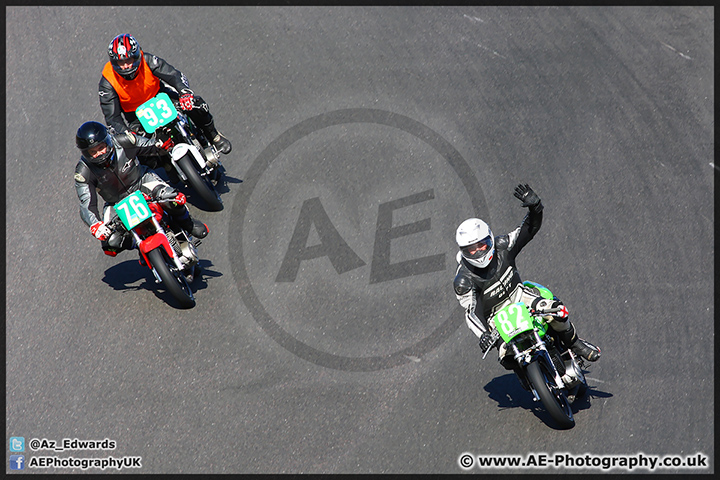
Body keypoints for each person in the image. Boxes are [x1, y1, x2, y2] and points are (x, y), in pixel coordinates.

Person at [453, 184, 600, 370]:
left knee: (558, 311)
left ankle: (576, 344)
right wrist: (483, 335)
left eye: (481, 245)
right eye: (471, 249)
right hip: (495, 318)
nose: (477, 252)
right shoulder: (463, 280)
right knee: (506, 359)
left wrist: (535, 208)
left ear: (489, 239)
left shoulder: (503, 245)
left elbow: (528, 229)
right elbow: (471, 312)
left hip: (521, 297)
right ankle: (530, 380)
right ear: (463, 251)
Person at [98, 33, 231, 174]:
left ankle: (214, 136)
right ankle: (165, 167)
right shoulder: (107, 82)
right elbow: (112, 118)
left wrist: (185, 93)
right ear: (114, 63)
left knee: (197, 104)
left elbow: (173, 75)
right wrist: (127, 134)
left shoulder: (148, 60)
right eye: (120, 63)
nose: (125, 66)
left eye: (129, 60)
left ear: (137, 56)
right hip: (137, 117)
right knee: (131, 148)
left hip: (163, 98)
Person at [74, 121, 209, 256]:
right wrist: (95, 225)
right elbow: (86, 203)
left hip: (142, 182)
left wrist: (161, 145)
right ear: (86, 153)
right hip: (116, 202)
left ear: (107, 142)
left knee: (172, 198)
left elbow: (150, 146)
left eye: (101, 147)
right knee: (111, 243)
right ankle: (139, 245)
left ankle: (187, 223)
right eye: (93, 152)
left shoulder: (124, 141)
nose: (99, 153)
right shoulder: (83, 171)